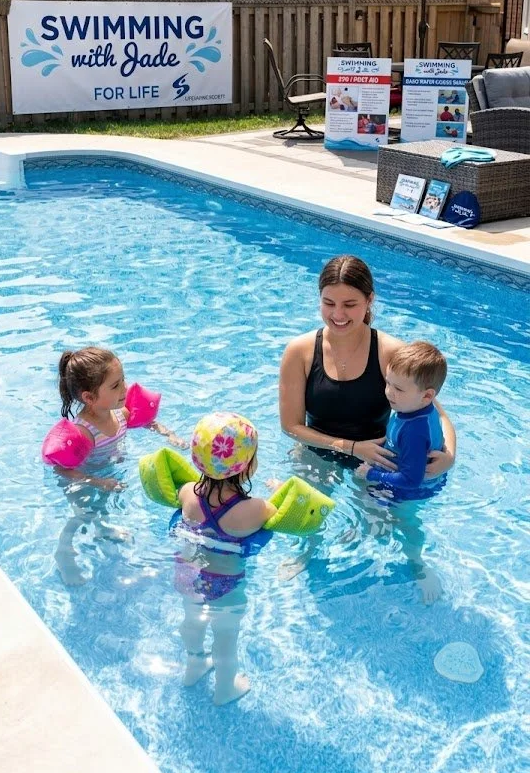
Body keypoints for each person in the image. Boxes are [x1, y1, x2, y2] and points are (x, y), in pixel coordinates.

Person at [278, 256, 455, 581]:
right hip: (319, 450)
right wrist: (351, 447)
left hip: (380, 457)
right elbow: (291, 426)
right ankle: (304, 552)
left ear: (369, 300)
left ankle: (417, 564)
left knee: (390, 527)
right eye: (328, 303)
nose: (338, 314)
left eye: (350, 304)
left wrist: (450, 457)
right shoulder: (300, 351)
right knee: (306, 516)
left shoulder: (389, 351)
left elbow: (438, 413)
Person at [53, 346, 184, 585]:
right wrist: (97, 482)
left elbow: (147, 422)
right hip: (83, 480)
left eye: (122, 380)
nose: (125, 388)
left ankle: (103, 530)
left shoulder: (119, 414)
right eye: (115, 386)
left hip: (107, 475)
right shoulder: (84, 431)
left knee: (101, 509)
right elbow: (62, 469)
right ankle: (64, 552)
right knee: (83, 515)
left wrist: (169, 435)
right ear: (89, 398)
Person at [173, 412, 277, 705]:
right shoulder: (252, 510)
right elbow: (278, 511)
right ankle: (225, 688)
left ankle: (194, 665)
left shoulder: (187, 494)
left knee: (192, 621)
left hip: (187, 574)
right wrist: (278, 489)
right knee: (225, 639)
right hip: (225, 586)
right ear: (247, 465)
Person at [356, 340, 447, 499]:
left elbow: (411, 480)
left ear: (427, 396)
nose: (389, 392)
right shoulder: (412, 408)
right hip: (407, 475)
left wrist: (373, 474)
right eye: (388, 383)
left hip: (407, 493)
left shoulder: (414, 432)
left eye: (398, 389)